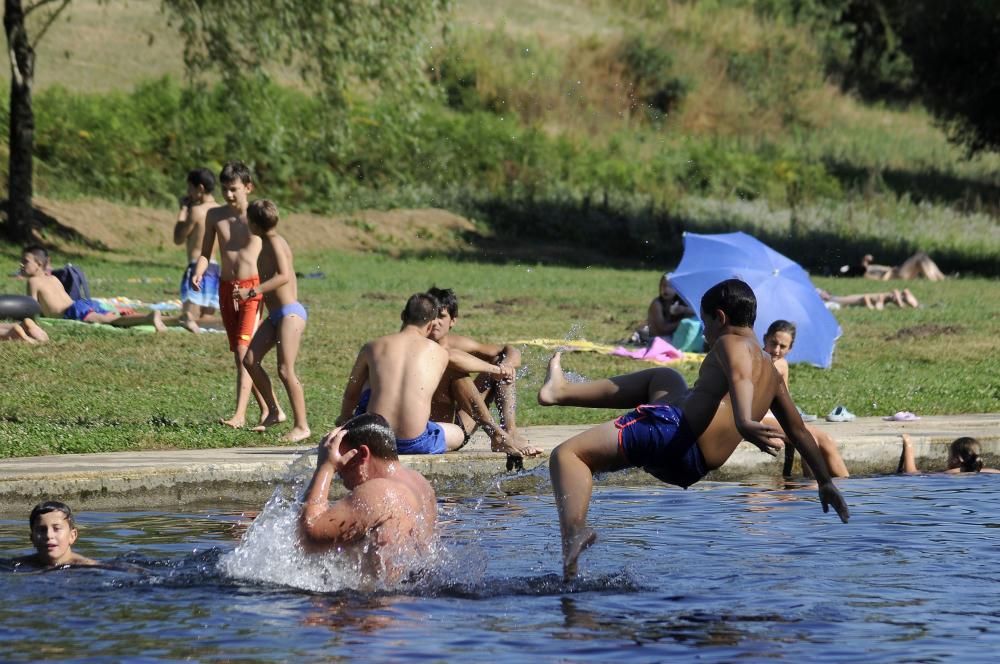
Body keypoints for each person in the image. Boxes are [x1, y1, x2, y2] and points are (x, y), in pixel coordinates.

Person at [539, 279, 849, 580]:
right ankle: (560, 392)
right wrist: (825, 481)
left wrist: (743, 420)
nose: (705, 331)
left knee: (568, 456)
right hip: (691, 465)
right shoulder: (771, 371)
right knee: (665, 379)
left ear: (721, 317)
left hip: (672, 433)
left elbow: (740, 376)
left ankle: (575, 528)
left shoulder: (731, 342)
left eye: (705, 322)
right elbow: (798, 429)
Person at [336, 292, 516, 455]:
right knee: (458, 433)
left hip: (373, 437)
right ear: (430, 324)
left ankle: (505, 432)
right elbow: (454, 357)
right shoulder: (437, 352)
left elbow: (351, 394)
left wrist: (345, 422)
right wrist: (496, 370)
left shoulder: (372, 347)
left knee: (370, 379)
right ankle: (498, 434)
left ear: (402, 316)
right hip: (414, 442)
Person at [299, 413, 437, 582]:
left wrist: (325, 467)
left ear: (362, 454)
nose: (339, 472)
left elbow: (308, 537)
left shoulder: (379, 492)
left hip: (378, 606)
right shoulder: (420, 483)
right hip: (413, 604)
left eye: (340, 461)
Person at [190, 161, 269, 429]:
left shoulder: (258, 216)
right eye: (225, 189)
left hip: (251, 289)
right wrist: (199, 272)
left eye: (234, 189)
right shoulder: (214, 216)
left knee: (242, 352)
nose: (229, 195)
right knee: (240, 352)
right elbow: (205, 252)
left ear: (248, 187)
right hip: (226, 288)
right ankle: (269, 408)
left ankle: (239, 415)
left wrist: (268, 290)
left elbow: (273, 253)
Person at [425, 287, 541, 460]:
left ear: (453, 320)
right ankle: (497, 434)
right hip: (429, 431)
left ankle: (509, 433)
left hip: (458, 425)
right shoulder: (414, 347)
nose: (435, 322)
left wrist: (506, 365)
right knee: (454, 369)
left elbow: (509, 351)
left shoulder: (458, 344)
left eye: (441, 317)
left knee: (500, 363)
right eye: (431, 316)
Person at [236, 199, 310, 443]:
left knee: (285, 369)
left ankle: (302, 426)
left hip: (290, 313)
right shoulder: (265, 243)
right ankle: (275, 411)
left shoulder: (276, 243)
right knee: (250, 359)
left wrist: (252, 291)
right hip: (276, 314)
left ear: (254, 223)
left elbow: (284, 276)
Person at [761, 320, 850, 478]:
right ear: (765, 339)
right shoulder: (757, 361)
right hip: (762, 416)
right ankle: (813, 489)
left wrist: (795, 422)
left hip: (777, 416)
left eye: (783, 347)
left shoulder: (782, 364)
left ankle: (846, 488)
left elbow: (785, 400)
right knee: (810, 441)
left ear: (791, 348)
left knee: (826, 439)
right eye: (773, 343)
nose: (776, 350)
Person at [20, 246, 167, 332]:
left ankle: (149, 318)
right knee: (111, 315)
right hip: (82, 304)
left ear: (39, 263)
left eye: (25, 261)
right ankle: (175, 320)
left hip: (72, 312)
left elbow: (31, 309)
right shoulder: (52, 278)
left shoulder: (33, 281)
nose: (21, 265)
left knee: (110, 320)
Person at [174, 168, 220, 333]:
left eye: (189, 189)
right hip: (214, 268)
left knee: (189, 317)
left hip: (196, 268)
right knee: (206, 321)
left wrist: (183, 211)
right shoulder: (222, 211)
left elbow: (178, 238)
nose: (188, 193)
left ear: (200, 188)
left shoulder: (196, 211)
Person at [12, 501, 97, 569]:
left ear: (72, 536)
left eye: (56, 529)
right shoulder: (16, 565)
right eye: (42, 530)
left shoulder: (90, 568)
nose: (49, 535)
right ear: (32, 538)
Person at [632, 274, 696, 344]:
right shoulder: (657, 304)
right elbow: (663, 329)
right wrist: (682, 323)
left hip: (670, 337)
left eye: (670, 286)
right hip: (657, 338)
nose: (666, 289)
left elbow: (697, 313)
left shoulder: (678, 303)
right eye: (663, 286)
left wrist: (684, 310)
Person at [897, 434, 999, 474]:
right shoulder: (991, 472)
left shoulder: (952, 473)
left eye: (949, 456)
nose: (947, 459)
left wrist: (908, 444)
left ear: (957, 459)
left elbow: (911, 473)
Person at [841, 252, 945, 281]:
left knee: (922, 258)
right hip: (898, 274)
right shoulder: (866, 274)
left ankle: (940, 278)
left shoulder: (869, 269)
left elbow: (864, 266)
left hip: (898, 272)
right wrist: (890, 271)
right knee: (919, 256)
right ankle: (935, 279)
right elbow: (883, 279)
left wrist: (865, 260)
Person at [817, 287, 919, 310]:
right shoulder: (884, 297)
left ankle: (910, 304)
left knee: (837, 299)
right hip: (855, 299)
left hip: (835, 299)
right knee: (835, 299)